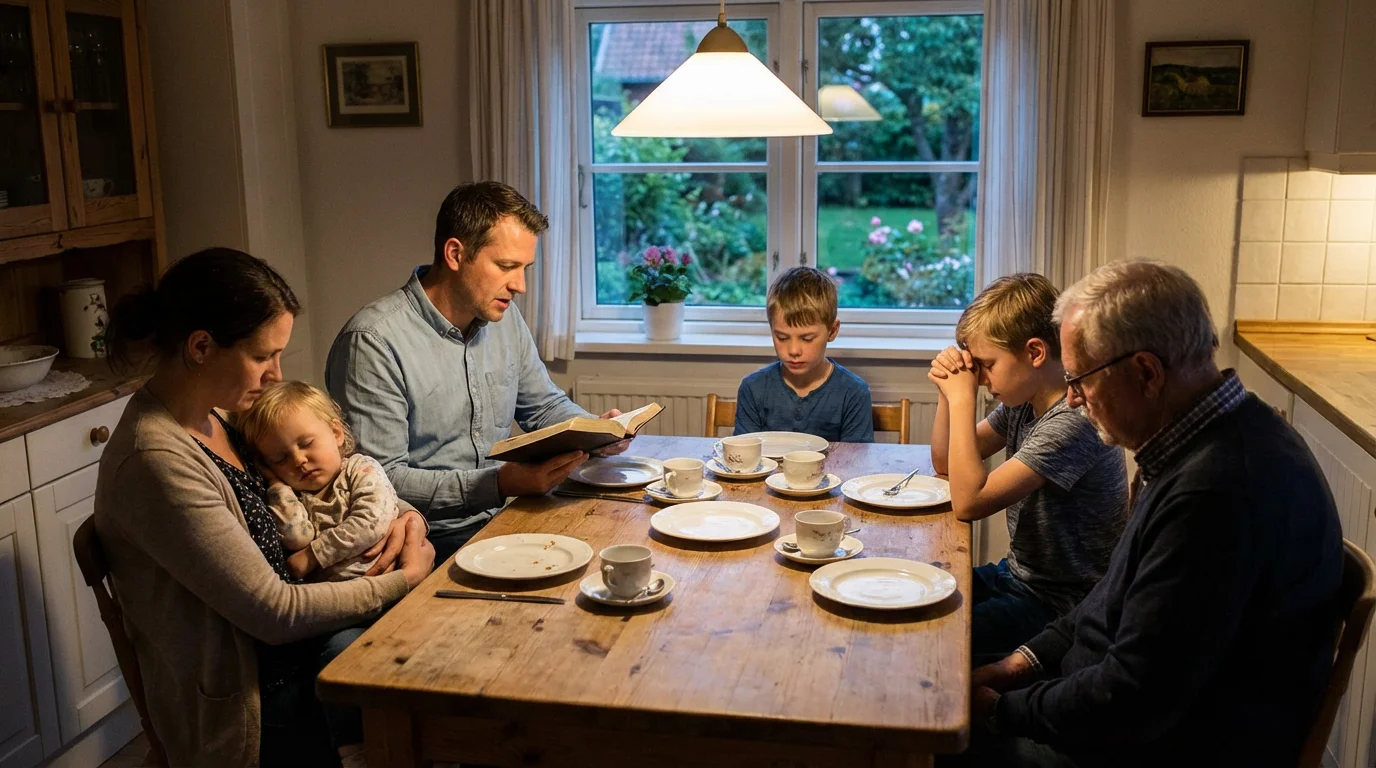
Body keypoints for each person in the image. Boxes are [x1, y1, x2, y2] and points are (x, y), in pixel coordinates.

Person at [960, 261, 1343, 767]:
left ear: (1145, 372)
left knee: (924, 738)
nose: (1073, 397)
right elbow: (1111, 594)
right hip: (1114, 707)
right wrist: (1020, 663)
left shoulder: (1218, 491)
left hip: (1170, 746)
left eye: (1081, 379)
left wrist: (1002, 712)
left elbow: (1134, 697)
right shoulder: (1196, 443)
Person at [94, 248, 435, 768]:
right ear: (201, 346)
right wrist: (403, 580)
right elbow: (274, 613)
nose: (276, 374)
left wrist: (407, 518)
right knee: (440, 707)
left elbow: (339, 482)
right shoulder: (155, 460)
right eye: (263, 356)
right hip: (251, 699)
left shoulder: (221, 419)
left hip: (299, 647)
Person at [326, 181, 626, 564]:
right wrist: (498, 483)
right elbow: (381, 481)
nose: (519, 286)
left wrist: (596, 432)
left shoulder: (502, 315)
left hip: (505, 518)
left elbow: (543, 407)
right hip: (424, 541)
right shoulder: (371, 341)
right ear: (455, 254)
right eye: (506, 267)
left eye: (524, 269)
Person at [928, 273, 1127, 666]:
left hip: (1061, 606)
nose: (981, 378)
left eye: (986, 365)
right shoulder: (1024, 399)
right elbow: (944, 463)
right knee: (920, 600)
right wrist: (947, 393)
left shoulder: (1073, 418)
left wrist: (963, 399)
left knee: (937, 640)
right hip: (1018, 577)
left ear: (1034, 352)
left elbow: (968, 502)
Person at [238, 380, 399, 582]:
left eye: (306, 443)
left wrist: (312, 556)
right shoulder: (295, 497)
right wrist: (277, 485)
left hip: (391, 584)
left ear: (336, 433)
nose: (298, 460)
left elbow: (372, 521)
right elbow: (296, 538)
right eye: (280, 459)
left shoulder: (361, 469)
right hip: (337, 602)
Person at [734, 266, 873, 442]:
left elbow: (856, 463)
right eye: (782, 338)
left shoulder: (853, 393)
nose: (793, 351)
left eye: (807, 339)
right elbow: (743, 459)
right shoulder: (753, 388)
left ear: (832, 331)